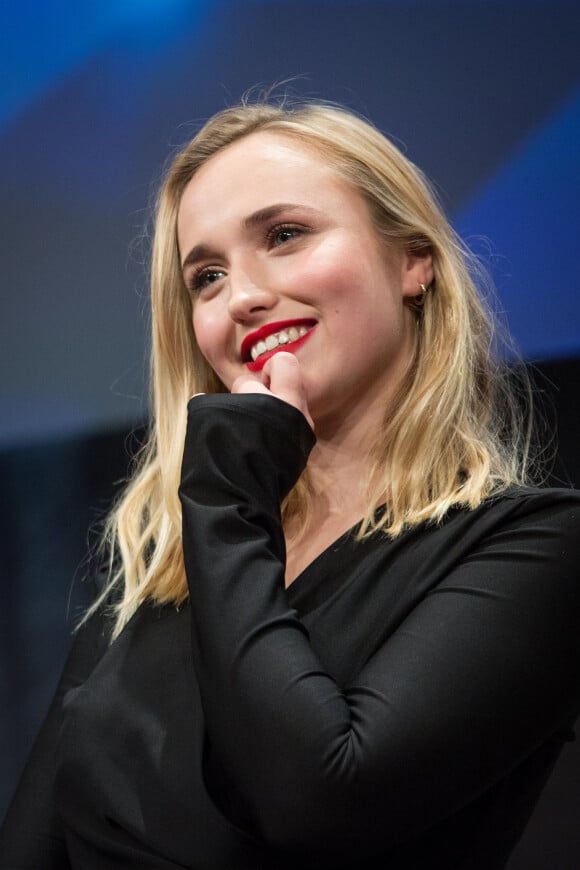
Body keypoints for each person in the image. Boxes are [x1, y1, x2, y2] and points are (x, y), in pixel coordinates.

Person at [1, 99, 580, 870]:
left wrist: (229, 500)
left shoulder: (534, 547)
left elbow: (320, 801)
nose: (241, 297)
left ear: (413, 260)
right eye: (206, 277)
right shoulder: (164, 572)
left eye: (284, 235)